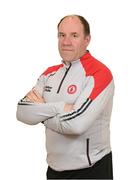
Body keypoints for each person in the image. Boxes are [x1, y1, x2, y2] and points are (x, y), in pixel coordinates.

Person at [16, 14, 114, 179]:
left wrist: (40, 112)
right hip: (54, 169)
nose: (66, 42)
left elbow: (76, 125)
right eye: (62, 35)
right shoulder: (49, 73)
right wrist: (61, 107)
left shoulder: (99, 74)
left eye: (74, 35)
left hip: (91, 170)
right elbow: (22, 112)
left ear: (87, 39)